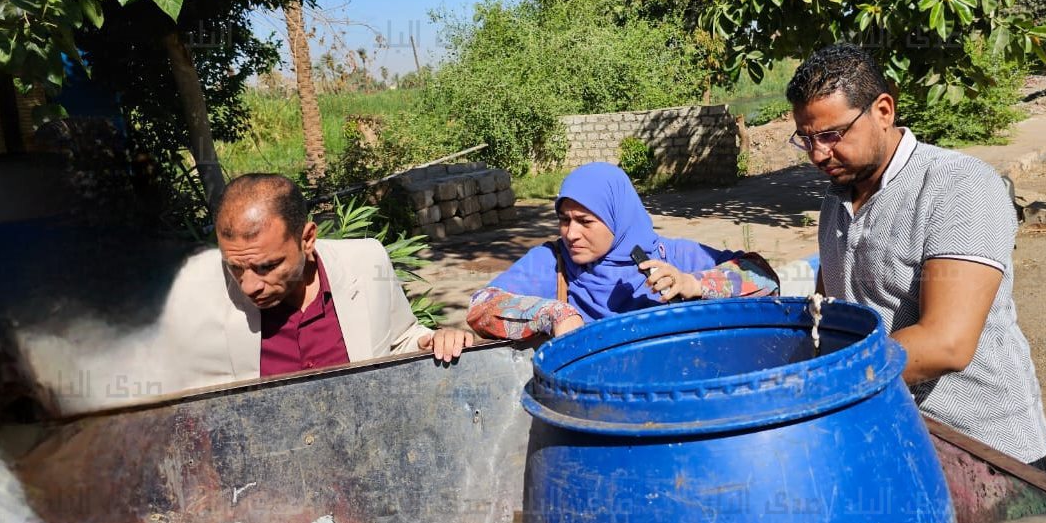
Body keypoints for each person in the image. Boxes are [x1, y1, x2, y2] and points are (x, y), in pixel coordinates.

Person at [786, 44, 1046, 474]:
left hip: (988, 456)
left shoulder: (958, 186)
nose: (818, 154)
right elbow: (832, 316)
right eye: (808, 139)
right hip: (894, 442)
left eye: (832, 135)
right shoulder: (836, 201)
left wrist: (815, 385)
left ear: (884, 110)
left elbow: (945, 344)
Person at [159, 174, 473, 393]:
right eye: (236, 267)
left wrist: (431, 341)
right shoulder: (204, 292)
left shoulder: (366, 262)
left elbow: (400, 339)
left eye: (267, 266)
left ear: (307, 238)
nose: (249, 286)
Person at [467, 162, 779, 339]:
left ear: (618, 217)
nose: (571, 233)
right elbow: (480, 307)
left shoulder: (669, 257)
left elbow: (765, 278)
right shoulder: (554, 262)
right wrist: (553, 314)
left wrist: (692, 284)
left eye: (585, 221)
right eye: (564, 220)